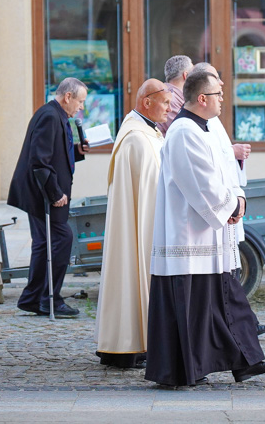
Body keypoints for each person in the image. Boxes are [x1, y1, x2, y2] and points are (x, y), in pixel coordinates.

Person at [145, 70, 265, 387]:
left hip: (209, 234)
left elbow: (224, 171)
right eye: (218, 94)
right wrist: (231, 206)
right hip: (189, 238)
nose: (223, 100)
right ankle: (182, 370)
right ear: (202, 98)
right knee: (199, 306)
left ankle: (245, 362)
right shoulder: (183, 132)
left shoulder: (206, 129)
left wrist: (238, 199)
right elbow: (200, 182)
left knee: (224, 302)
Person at [189, 62, 265, 336]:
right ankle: (242, 330)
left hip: (228, 204)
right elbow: (209, 168)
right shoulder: (192, 125)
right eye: (217, 85)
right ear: (204, 91)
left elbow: (221, 158)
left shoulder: (210, 118)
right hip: (217, 212)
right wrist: (233, 205)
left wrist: (236, 197)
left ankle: (244, 328)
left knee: (230, 278)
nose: (222, 91)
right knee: (226, 282)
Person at [95, 79, 171, 368]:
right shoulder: (135, 138)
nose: (168, 108)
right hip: (137, 227)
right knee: (130, 275)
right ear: (147, 102)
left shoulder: (147, 132)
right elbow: (150, 190)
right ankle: (126, 344)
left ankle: (136, 341)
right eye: (164, 103)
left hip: (145, 221)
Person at [8, 77, 91, 318]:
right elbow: (39, 160)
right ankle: (49, 299)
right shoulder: (50, 116)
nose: (81, 107)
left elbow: (53, 152)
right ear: (68, 97)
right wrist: (55, 194)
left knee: (45, 244)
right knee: (63, 238)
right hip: (43, 193)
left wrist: (77, 151)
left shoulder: (56, 114)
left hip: (42, 190)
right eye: (80, 101)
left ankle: (33, 298)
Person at [156, 55, 192, 136]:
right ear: (186, 75)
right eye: (193, 72)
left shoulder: (171, 94)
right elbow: (184, 132)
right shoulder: (170, 99)